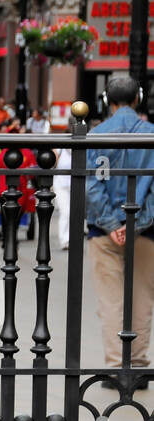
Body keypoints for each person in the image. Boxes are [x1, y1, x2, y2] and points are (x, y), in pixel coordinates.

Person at [85, 74, 154, 383]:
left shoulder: (97, 135)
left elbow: (92, 186)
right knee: (141, 297)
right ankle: (138, 366)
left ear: (106, 100)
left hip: (103, 231)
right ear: (138, 98)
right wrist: (135, 222)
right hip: (147, 230)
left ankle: (116, 368)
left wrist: (113, 224)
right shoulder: (151, 135)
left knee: (111, 300)